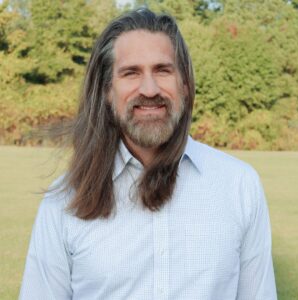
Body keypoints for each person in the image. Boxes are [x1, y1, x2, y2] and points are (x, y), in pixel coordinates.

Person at [19, 8, 277, 300]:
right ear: (106, 90)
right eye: (131, 73)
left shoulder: (239, 186)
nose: (150, 89)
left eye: (163, 70)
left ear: (185, 84)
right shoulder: (64, 202)